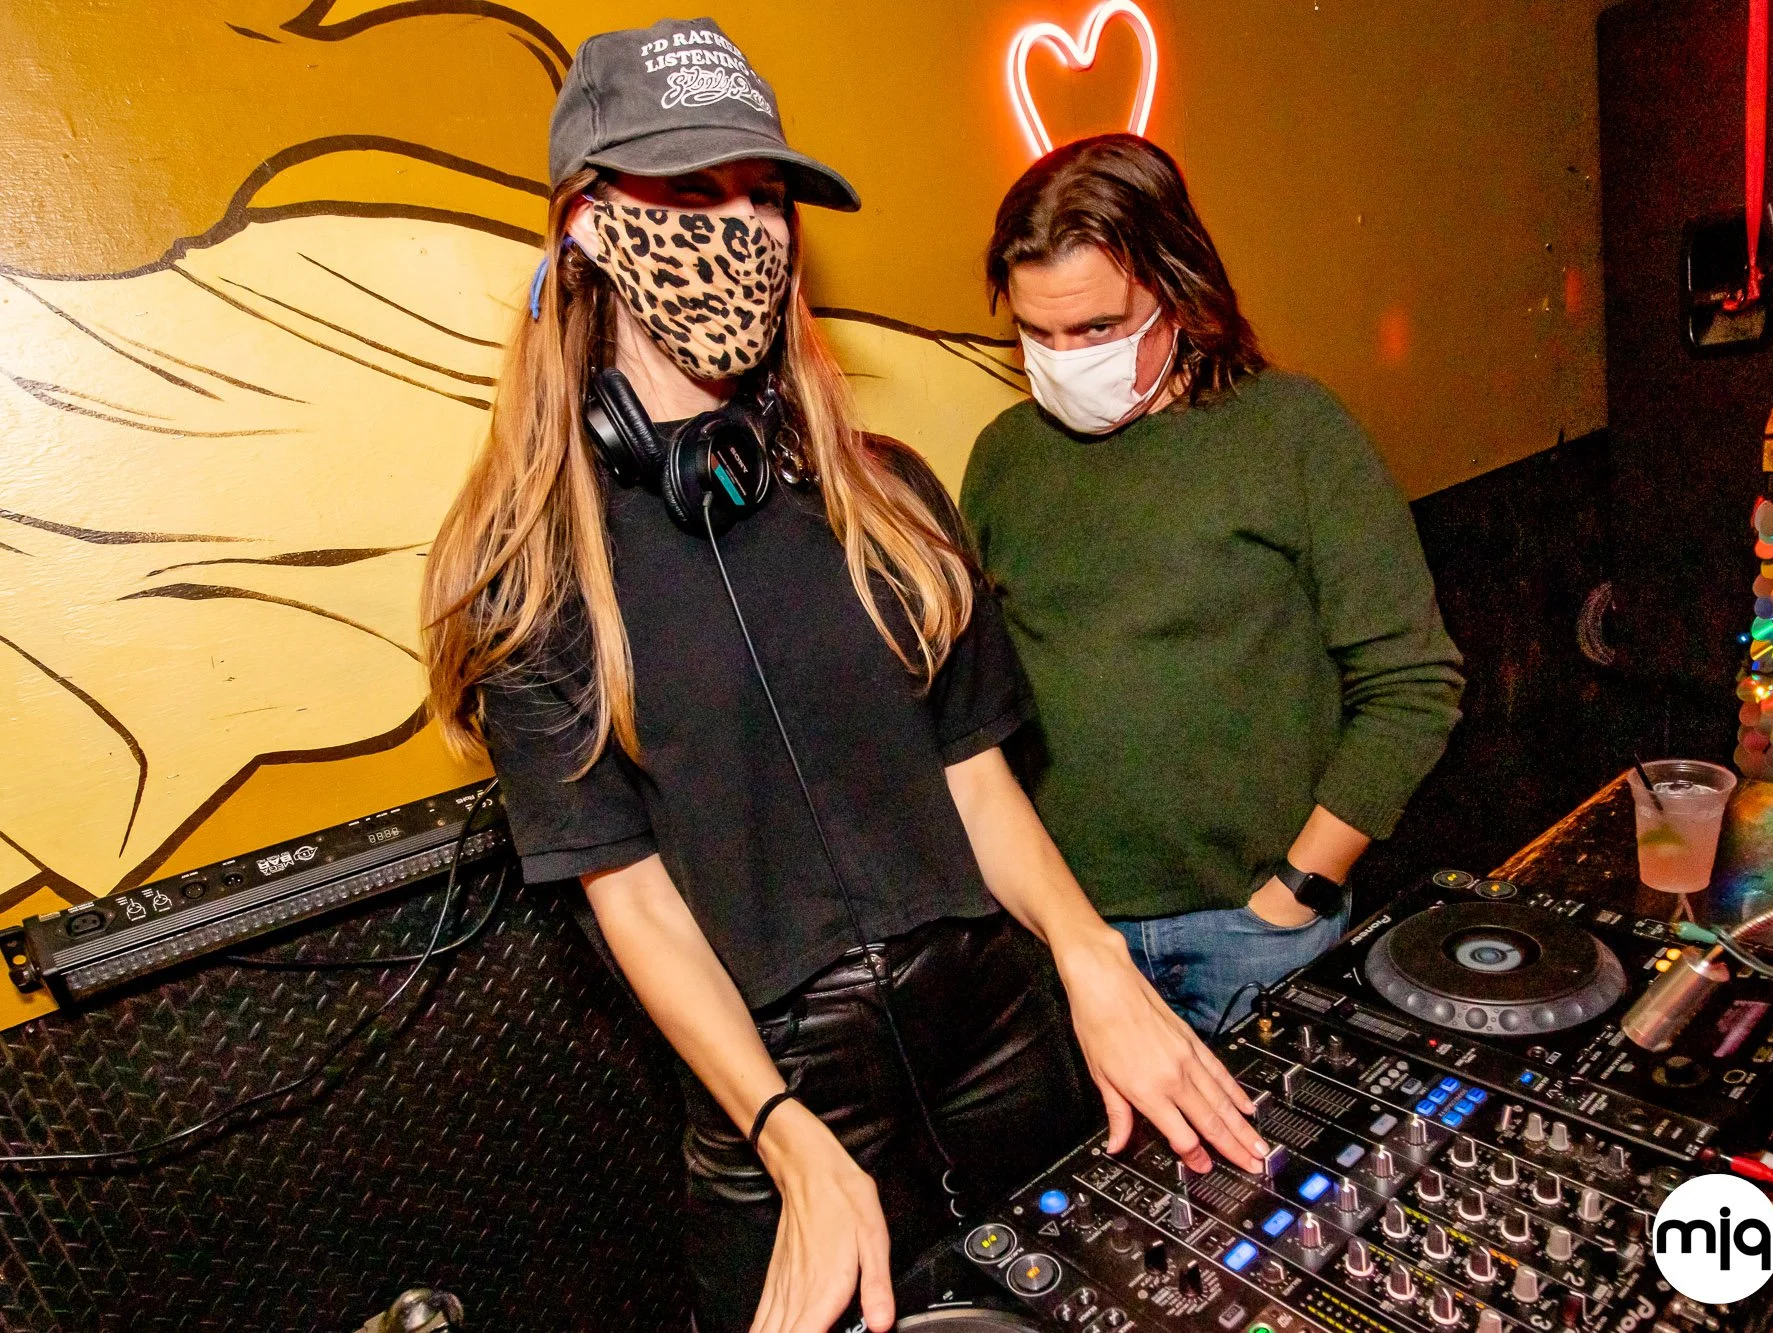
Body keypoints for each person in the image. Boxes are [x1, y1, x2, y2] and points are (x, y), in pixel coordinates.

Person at [420, 24, 1267, 1333]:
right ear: (588, 227)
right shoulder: (531, 580)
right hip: (774, 1092)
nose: (743, 229)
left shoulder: (888, 498)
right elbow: (630, 899)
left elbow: (973, 778)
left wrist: (1091, 958)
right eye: (691, 193)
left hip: (1000, 1034)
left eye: (764, 195)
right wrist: (783, 1135)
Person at [961, 134, 1465, 1035]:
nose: (1062, 356)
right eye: (1036, 332)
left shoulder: (1292, 431)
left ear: (1179, 293)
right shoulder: (1003, 457)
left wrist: (1299, 887)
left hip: (1255, 932)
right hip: (1069, 940)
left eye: (1097, 328)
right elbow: (975, 708)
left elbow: (1413, 684)